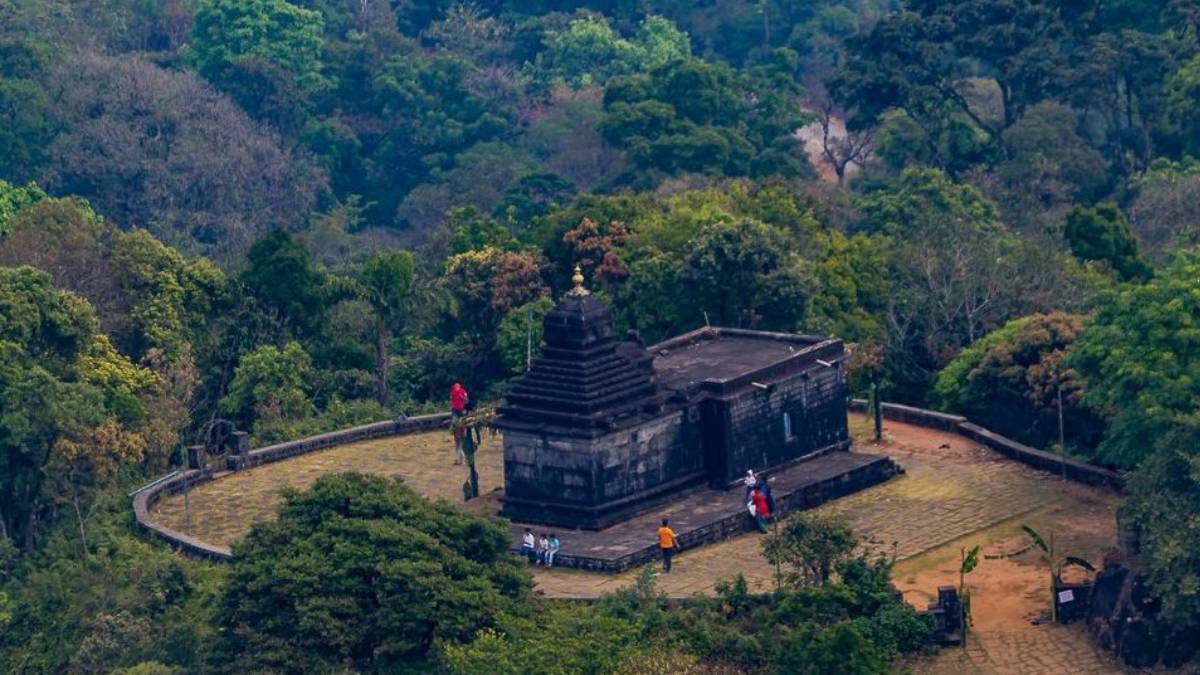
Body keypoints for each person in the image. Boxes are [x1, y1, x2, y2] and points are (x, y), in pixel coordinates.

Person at [450, 382, 469, 465]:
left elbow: (466, 400)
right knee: (454, 422)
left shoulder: (463, 392)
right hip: (455, 411)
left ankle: (460, 459)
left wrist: (463, 398)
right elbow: (451, 400)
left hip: (461, 410)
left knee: (460, 442)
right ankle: (457, 459)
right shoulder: (453, 392)